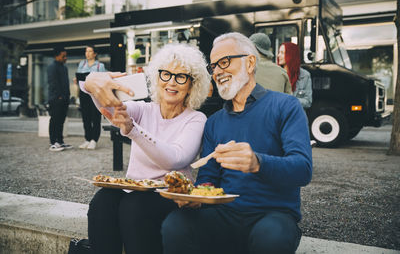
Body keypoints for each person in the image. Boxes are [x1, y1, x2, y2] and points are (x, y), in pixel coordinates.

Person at [161, 32, 312, 254]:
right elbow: (208, 178)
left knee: (271, 237)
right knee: (176, 225)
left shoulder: (286, 106)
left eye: (224, 62)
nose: (218, 71)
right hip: (224, 213)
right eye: (213, 67)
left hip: (272, 214)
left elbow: (303, 169)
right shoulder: (214, 122)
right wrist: (196, 197)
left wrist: (257, 162)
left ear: (250, 63)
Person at [82, 43, 210, 254]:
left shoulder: (196, 119)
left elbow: (175, 159)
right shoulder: (144, 109)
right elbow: (109, 107)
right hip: (134, 191)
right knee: (102, 202)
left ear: (192, 84)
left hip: (170, 195)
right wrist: (91, 83)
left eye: (181, 77)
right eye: (166, 74)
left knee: (134, 207)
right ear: (157, 77)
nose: (171, 82)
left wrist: (133, 130)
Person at [76, 45, 107, 150]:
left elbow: (103, 81)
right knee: (86, 117)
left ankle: (94, 140)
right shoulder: (82, 64)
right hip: (83, 93)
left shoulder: (100, 66)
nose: (87, 53)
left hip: (95, 94)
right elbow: (79, 78)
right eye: (86, 51)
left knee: (95, 117)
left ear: (95, 54)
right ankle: (87, 139)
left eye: (90, 51)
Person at [47, 46, 72, 152]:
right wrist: (59, 96)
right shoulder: (52, 67)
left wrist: (67, 96)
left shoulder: (64, 67)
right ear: (57, 56)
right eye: (63, 56)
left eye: (65, 56)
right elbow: (53, 83)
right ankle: (53, 142)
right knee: (55, 120)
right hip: (56, 99)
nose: (65, 58)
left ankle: (60, 141)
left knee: (61, 121)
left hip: (64, 99)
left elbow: (65, 84)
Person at [277, 42, 312, 108]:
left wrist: (290, 100)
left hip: (296, 115)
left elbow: (308, 102)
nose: (278, 55)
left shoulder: (305, 75)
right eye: (279, 52)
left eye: (282, 53)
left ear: (290, 55)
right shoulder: (276, 73)